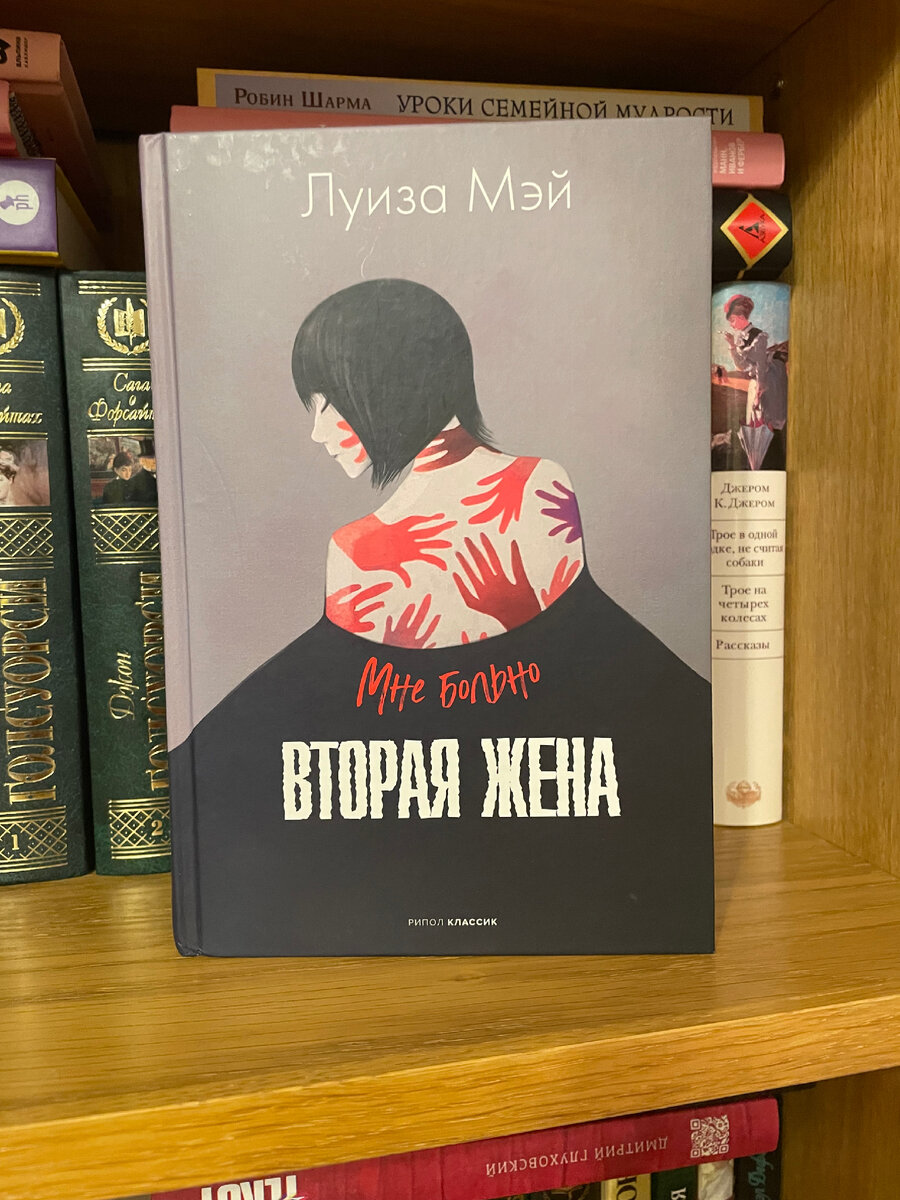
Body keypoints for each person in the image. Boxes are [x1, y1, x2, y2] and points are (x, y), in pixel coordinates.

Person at [292, 279, 585, 649]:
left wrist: (515, 611)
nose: (317, 432)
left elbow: (582, 657)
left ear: (390, 383)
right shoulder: (353, 549)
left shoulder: (534, 487)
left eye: (327, 404)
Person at [721, 292, 787, 430]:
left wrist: (759, 390)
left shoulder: (759, 336)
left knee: (766, 419)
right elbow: (741, 366)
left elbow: (760, 365)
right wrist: (732, 345)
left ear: (741, 317)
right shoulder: (740, 339)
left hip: (766, 381)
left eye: (732, 320)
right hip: (754, 382)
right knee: (754, 420)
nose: (731, 325)